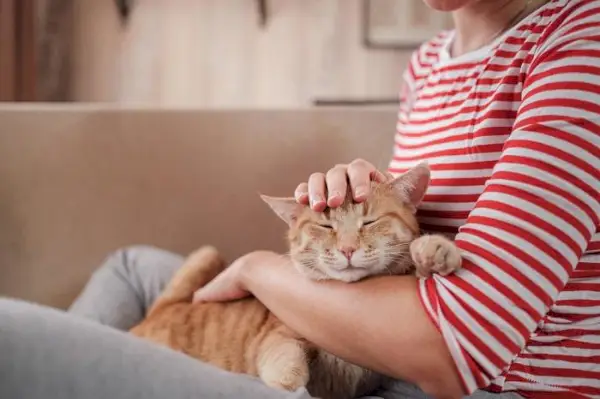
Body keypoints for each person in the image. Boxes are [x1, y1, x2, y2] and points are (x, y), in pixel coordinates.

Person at [1, 0, 598, 398]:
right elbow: (409, 230)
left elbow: (455, 347)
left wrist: (260, 271)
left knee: (15, 338)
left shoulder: (580, 41)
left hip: (453, 380)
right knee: (132, 269)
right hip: (376, 312)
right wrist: (366, 192)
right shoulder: (426, 66)